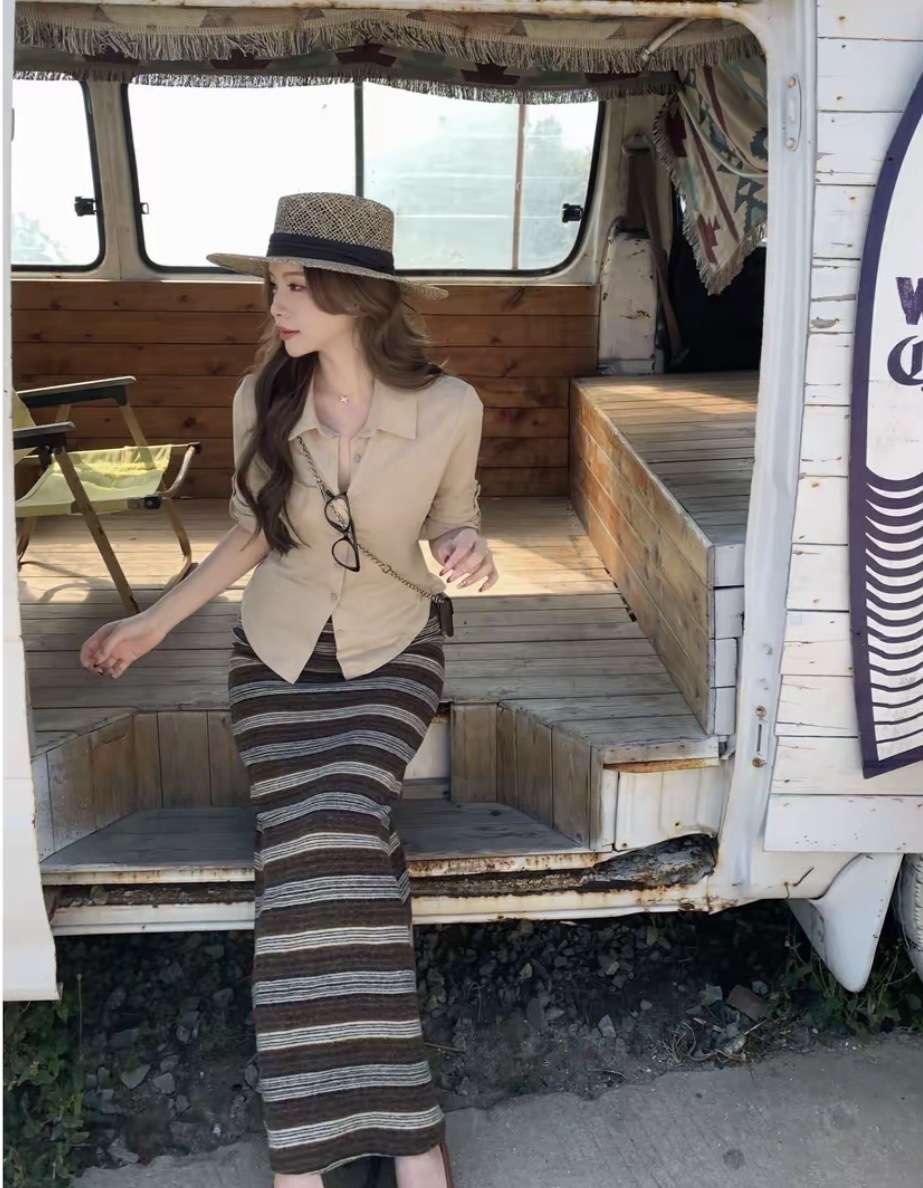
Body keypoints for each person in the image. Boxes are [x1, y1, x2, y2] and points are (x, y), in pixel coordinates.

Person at [80, 192, 499, 1188]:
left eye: (297, 286)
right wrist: (152, 623)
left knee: (328, 831)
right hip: (273, 659)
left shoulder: (451, 407)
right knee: (328, 846)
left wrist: (466, 546)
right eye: (273, 284)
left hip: (391, 652)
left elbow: (455, 518)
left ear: (356, 297)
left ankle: (333, 1155)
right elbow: (249, 535)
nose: (277, 305)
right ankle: (400, 1144)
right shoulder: (259, 398)